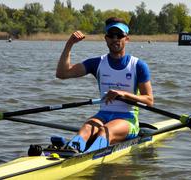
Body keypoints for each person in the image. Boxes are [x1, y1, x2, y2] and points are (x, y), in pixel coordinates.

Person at [56, 17, 154, 153]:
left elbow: (149, 100)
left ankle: (87, 156)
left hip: (128, 119)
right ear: (106, 39)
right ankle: (71, 150)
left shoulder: (138, 66)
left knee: (104, 131)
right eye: (111, 35)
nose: (115, 39)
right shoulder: (97, 63)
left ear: (126, 39)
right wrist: (69, 44)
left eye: (119, 35)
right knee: (86, 129)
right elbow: (62, 73)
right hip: (103, 115)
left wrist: (123, 94)